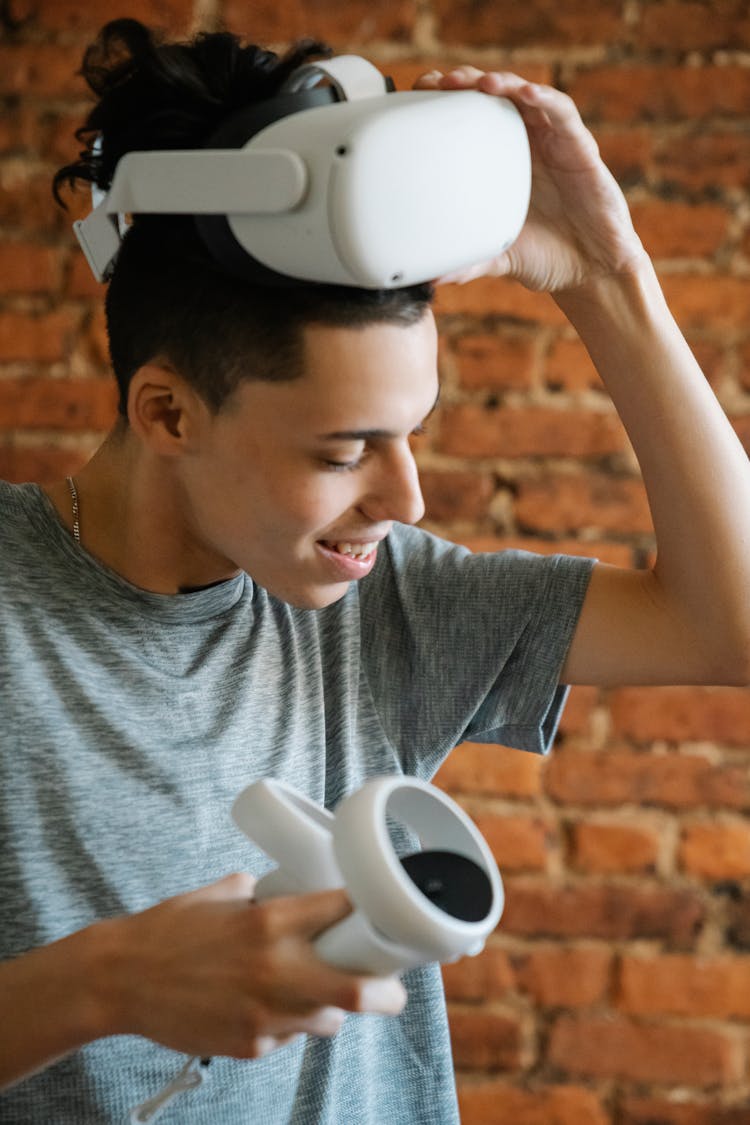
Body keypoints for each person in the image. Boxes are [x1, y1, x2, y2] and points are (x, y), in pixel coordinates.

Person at [1, 16, 748, 1125]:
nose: (407, 501)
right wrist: (107, 983)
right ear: (165, 410)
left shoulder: (384, 599)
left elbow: (730, 629)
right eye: (345, 450)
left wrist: (607, 275)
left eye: (413, 435)